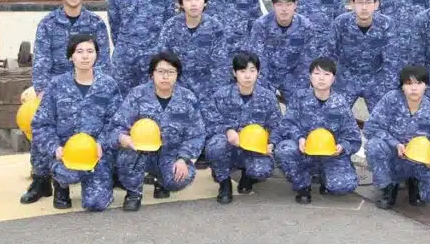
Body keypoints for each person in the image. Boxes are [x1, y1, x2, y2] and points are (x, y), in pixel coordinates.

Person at [25, 33, 123, 211]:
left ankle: (99, 181)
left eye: (90, 51)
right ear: (71, 56)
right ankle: (60, 185)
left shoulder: (108, 85)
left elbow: (116, 123)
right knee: (67, 174)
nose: (85, 56)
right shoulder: (57, 85)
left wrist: (102, 143)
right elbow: (41, 124)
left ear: (96, 55)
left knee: (95, 204)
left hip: (96, 154)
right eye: (79, 51)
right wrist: (54, 148)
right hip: (66, 154)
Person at [112, 52, 206, 211]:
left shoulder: (187, 98)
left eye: (170, 72)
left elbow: (197, 133)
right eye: (160, 71)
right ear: (152, 74)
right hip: (140, 152)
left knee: (179, 179)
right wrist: (123, 139)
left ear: (177, 75)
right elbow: (117, 126)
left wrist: (183, 158)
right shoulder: (137, 95)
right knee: (127, 156)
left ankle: (161, 181)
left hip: (171, 154)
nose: (165, 76)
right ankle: (133, 193)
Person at [364, 65, 430, 209]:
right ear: (402, 86)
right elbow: (371, 127)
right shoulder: (391, 100)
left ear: (426, 85)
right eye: (408, 83)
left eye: (418, 83)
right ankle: (388, 187)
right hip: (395, 157)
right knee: (374, 146)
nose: (414, 88)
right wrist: (395, 144)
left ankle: (417, 185)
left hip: (421, 162)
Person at [274, 58, 361, 204]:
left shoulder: (340, 103)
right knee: (284, 150)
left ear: (333, 78)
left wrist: (342, 147)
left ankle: (325, 179)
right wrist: (299, 138)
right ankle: (303, 185)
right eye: (317, 73)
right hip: (304, 152)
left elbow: (354, 138)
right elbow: (287, 124)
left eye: (326, 74)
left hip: (331, 156)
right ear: (310, 76)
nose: (321, 78)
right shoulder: (299, 97)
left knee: (344, 186)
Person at [203, 51, 283, 203]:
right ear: (234, 73)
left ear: (258, 72)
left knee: (263, 169)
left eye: (252, 71)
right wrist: (228, 131)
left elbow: (277, 126)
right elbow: (209, 122)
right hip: (230, 146)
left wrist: (272, 143)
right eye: (242, 71)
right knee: (215, 146)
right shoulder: (221, 95)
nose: (247, 76)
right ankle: (224, 183)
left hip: (255, 148)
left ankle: (248, 176)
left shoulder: (267, 97)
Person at [31, 0, 111, 100]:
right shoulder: (48, 23)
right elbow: (41, 61)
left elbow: (103, 61)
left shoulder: (96, 23)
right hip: (56, 90)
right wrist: (42, 92)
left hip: (89, 89)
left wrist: (98, 90)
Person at [108, 0, 177, 92]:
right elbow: (115, 27)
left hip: (154, 59)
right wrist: (127, 47)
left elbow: (169, 26)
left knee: (154, 98)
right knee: (122, 98)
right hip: (125, 61)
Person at [325, 0, 399, 111]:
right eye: (360, 2)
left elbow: (392, 60)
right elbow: (330, 55)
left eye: (368, 3)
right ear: (352, 4)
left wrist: (389, 89)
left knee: (385, 115)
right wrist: (326, 81)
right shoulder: (341, 23)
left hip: (376, 77)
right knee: (334, 113)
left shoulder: (386, 24)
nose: (364, 7)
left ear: (376, 5)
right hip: (346, 77)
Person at [156, 0, 230, 100]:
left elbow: (220, 65)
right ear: (181, 4)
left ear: (205, 2)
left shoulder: (215, 27)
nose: (193, 4)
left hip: (207, 92)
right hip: (176, 91)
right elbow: (162, 60)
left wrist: (216, 95)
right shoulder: (170, 26)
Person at [248, 0, 321, 102]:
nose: (284, 9)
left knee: (299, 103)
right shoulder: (261, 25)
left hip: (294, 74)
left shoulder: (306, 26)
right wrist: (264, 84)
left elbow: (307, 60)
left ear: (295, 5)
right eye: (279, 4)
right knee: (261, 102)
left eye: (288, 4)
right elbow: (257, 57)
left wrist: (301, 84)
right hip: (267, 74)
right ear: (273, 5)